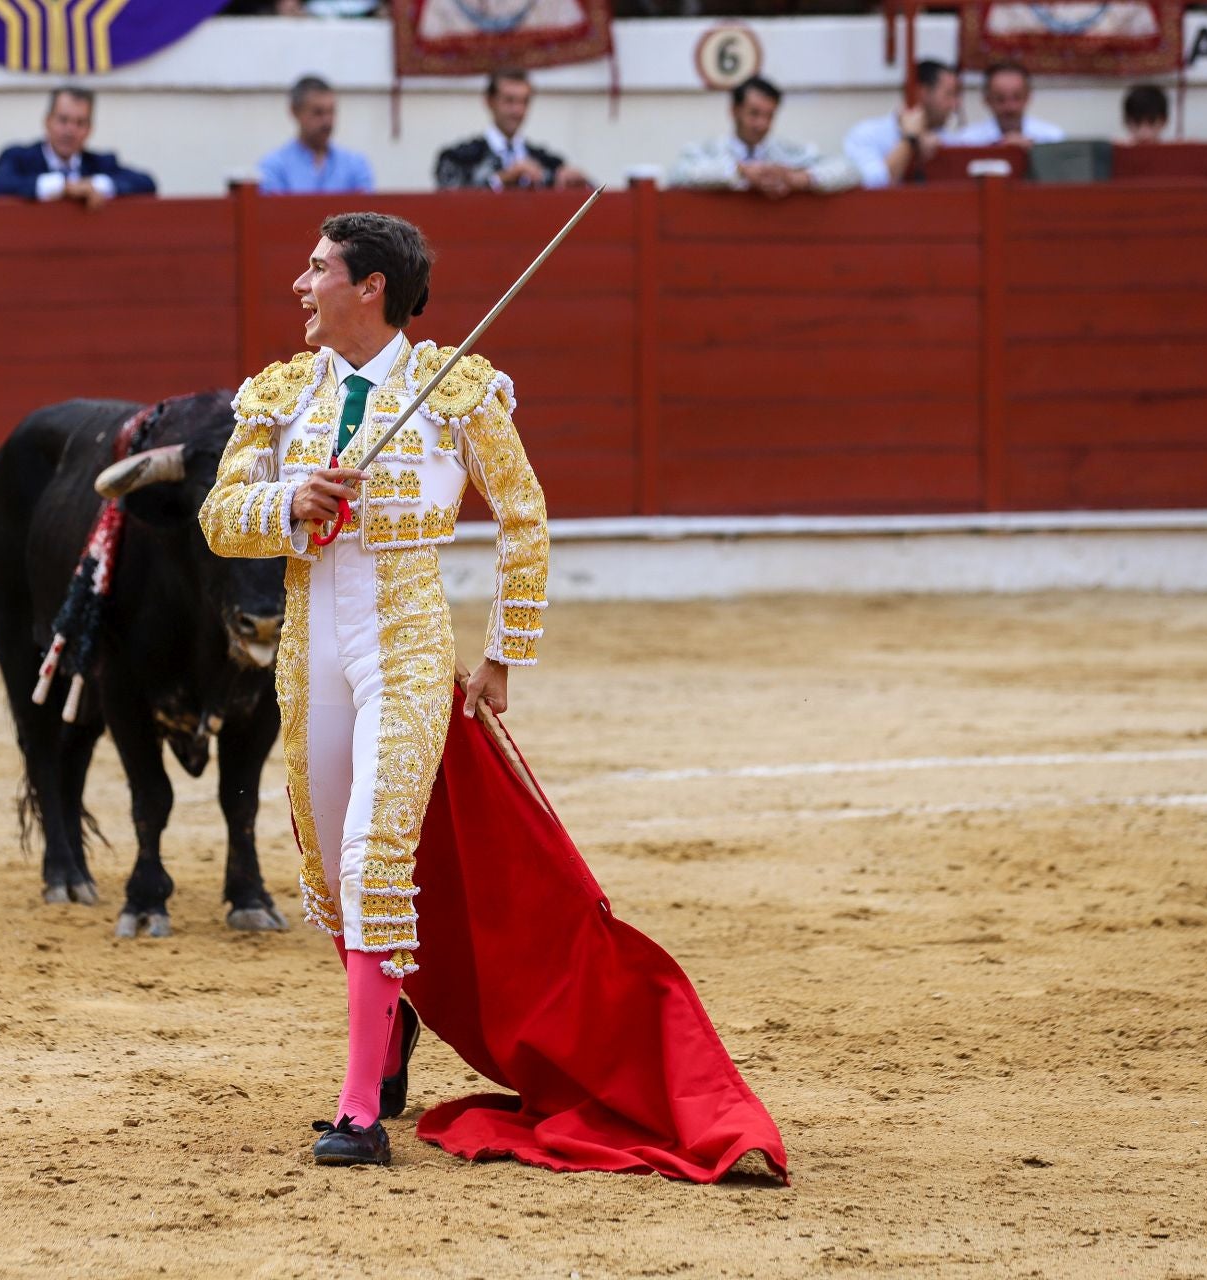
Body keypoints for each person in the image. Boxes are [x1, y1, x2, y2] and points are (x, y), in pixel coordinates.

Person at [196, 213, 790, 1182]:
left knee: (372, 861)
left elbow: (525, 514)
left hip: (405, 650)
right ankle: (387, 1032)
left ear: (370, 287)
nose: (300, 286)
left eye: (317, 269)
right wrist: (290, 502)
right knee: (332, 869)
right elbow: (221, 519)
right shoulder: (279, 394)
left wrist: (504, 652)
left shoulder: (454, 390)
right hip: (309, 657)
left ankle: (358, 1112)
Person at [669, 75, 858, 196]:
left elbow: (850, 170)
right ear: (734, 111)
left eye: (769, 115)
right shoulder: (709, 151)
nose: (762, 124)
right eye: (754, 114)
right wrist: (739, 172)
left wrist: (800, 178)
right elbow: (677, 174)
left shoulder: (787, 152)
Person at [0, 86, 156, 207]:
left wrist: (93, 185)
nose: (70, 130)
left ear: (89, 129)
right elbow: (0, 185)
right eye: (63, 120)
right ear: (47, 121)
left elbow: (147, 183)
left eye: (80, 123)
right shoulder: (19, 158)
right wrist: (63, 186)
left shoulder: (101, 164)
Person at [435, 69, 588, 191]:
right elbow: (451, 195)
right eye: (509, 101)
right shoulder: (457, 158)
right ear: (490, 101)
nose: (517, 110)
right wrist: (502, 179)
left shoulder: (548, 163)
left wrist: (575, 182)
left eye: (524, 101)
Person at [843, 59, 961, 188]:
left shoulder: (947, 139)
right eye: (949, 94)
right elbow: (872, 186)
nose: (955, 105)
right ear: (922, 93)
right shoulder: (866, 134)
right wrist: (910, 140)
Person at [258, 76, 375, 195]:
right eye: (318, 112)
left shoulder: (355, 165)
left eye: (331, 112)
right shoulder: (275, 167)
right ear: (295, 111)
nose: (327, 121)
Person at [944, 60, 1066, 147]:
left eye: (1017, 97)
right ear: (987, 100)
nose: (1010, 107)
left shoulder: (1052, 138)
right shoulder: (967, 141)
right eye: (1000, 99)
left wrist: (1034, 152)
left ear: (1028, 97)